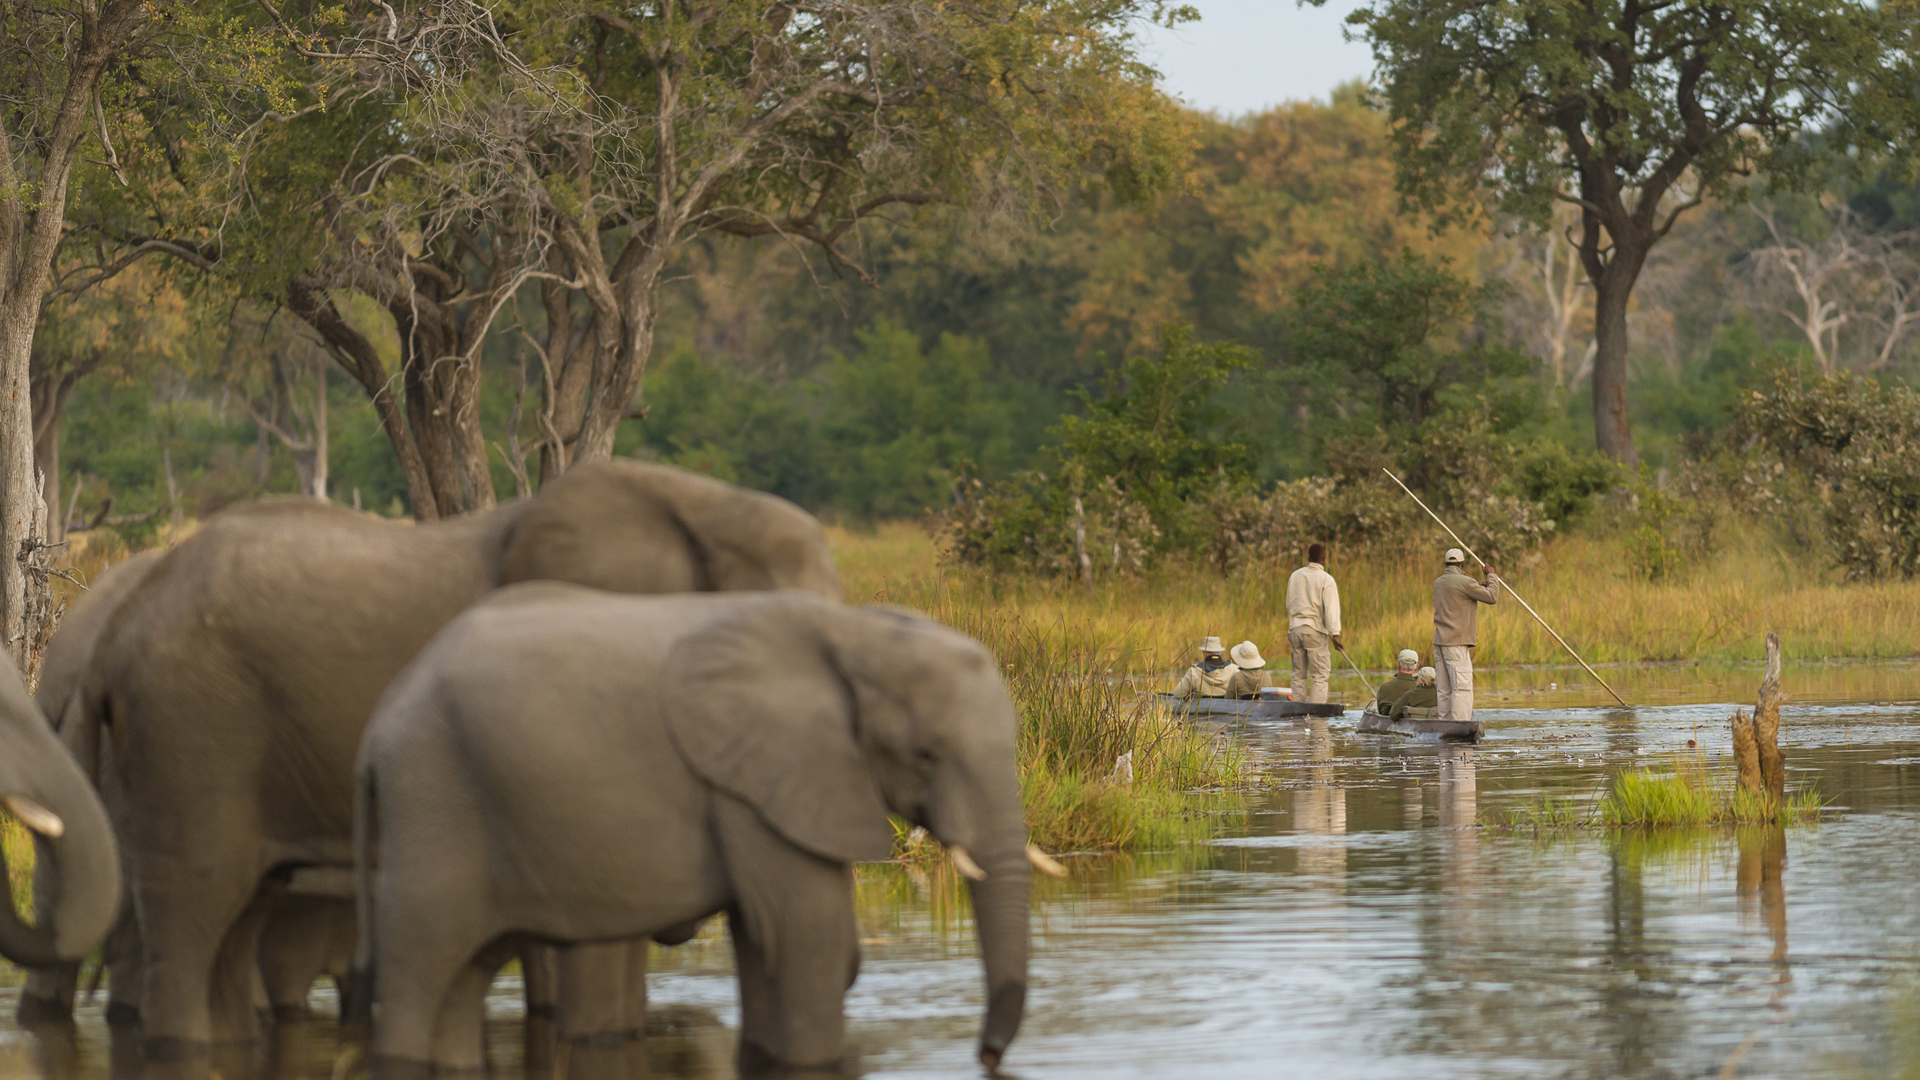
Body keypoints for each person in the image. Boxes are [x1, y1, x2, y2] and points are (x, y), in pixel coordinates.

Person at [1433, 548, 1498, 724]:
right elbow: (1492, 597)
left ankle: (1445, 725)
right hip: (1456, 644)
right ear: (1462, 564)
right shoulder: (1466, 582)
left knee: (1444, 689)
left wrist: (1477, 587)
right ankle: (1460, 726)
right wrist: (1491, 576)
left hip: (1439, 643)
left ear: (1445, 564)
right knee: (1461, 688)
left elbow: (1457, 591)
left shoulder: (1438, 582)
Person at [1285, 542, 1342, 704]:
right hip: (1314, 631)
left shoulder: (1295, 575)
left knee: (1298, 675)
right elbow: (1331, 609)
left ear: (1308, 558)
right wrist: (1334, 634)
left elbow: (1289, 604)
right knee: (1320, 675)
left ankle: (1296, 713)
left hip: (1295, 630)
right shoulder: (1326, 579)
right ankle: (1316, 716)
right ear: (1323, 559)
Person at [1370, 649, 1421, 714]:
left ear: (1398, 664)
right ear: (1417, 667)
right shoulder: (1421, 688)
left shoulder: (1384, 687)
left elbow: (1380, 712)